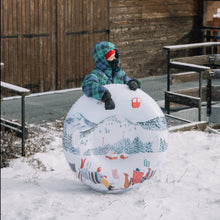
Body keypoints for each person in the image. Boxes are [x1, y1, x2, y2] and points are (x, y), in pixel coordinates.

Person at [81, 41, 141, 110]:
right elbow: (88, 85)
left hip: (120, 107)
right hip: (102, 110)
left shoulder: (118, 73)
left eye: (114, 56)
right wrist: (104, 95)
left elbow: (126, 80)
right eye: (111, 57)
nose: (114, 59)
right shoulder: (97, 74)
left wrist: (133, 82)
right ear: (103, 60)